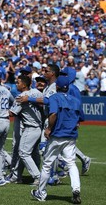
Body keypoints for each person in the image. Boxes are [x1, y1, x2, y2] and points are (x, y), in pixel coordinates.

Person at [31, 76, 83, 204]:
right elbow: (80, 118)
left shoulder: (54, 97)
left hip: (57, 135)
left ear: (57, 86)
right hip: (70, 136)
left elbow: (53, 113)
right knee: (71, 163)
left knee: (47, 164)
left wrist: (48, 129)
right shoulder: (75, 100)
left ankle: (41, 192)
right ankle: (76, 189)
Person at [9, 75, 43, 185]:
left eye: (18, 82)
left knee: (23, 153)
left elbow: (12, 113)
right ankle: (17, 177)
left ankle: (38, 177)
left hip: (30, 128)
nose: (16, 84)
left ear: (24, 85)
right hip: (39, 127)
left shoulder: (21, 96)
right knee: (32, 153)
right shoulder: (37, 93)